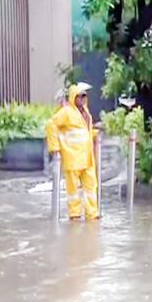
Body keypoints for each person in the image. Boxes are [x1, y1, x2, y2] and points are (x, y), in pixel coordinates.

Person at [46, 83, 100, 221]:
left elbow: (83, 132)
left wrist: (94, 134)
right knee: (73, 190)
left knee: (91, 187)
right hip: (72, 157)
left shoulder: (86, 112)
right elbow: (51, 125)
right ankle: (75, 214)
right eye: (79, 96)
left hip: (87, 158)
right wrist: (54, 147)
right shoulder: (67, 112)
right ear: (73, 97)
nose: (82, 99)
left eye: (84, 96)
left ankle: (92, 213)